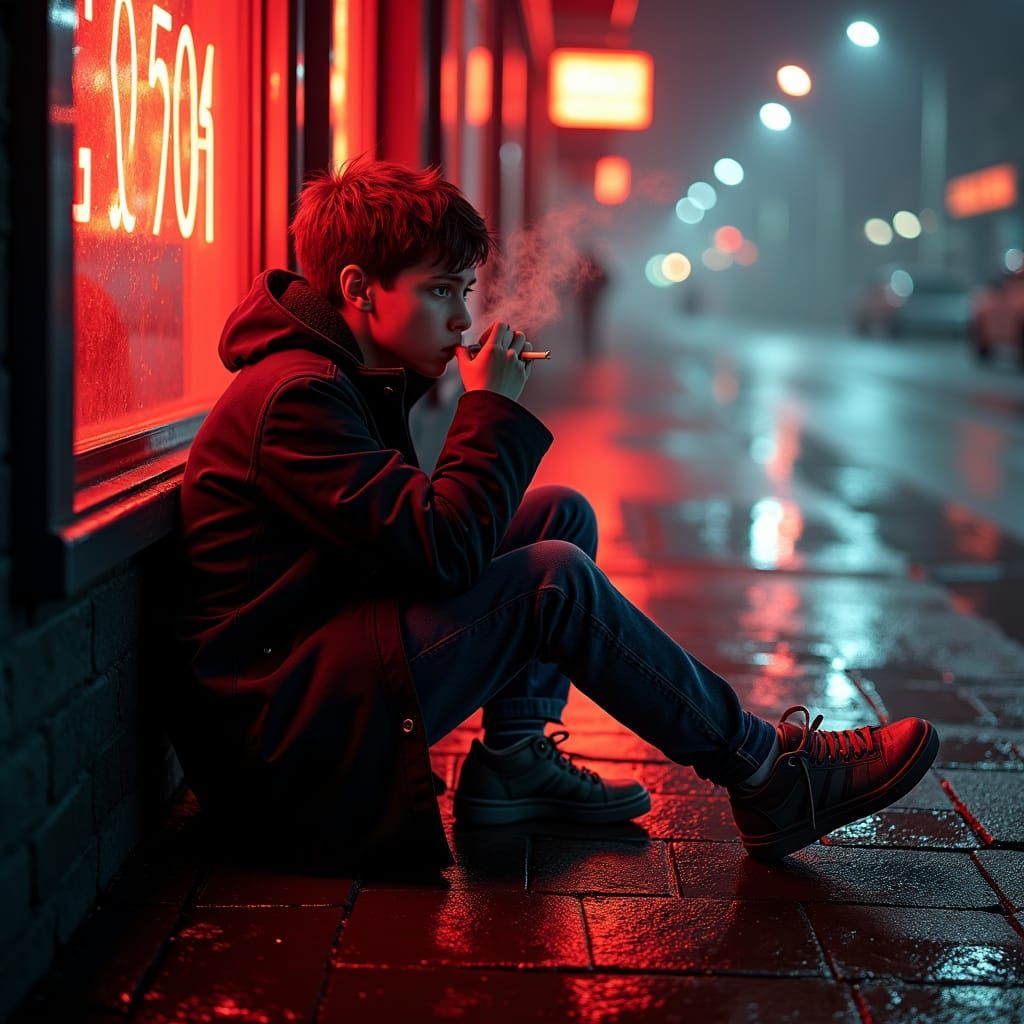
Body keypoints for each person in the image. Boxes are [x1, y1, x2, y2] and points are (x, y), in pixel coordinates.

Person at [174, 157, 938, 874]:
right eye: (441, 290)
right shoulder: (296, 396)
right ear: (360, 288)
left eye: (465, 291)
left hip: (330, 662)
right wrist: (487, 409)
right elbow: (444, 551)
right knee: (552, 582)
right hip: (281, 742)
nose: (460, 317)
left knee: (556, 517)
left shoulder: (340, 375)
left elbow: (413, 543)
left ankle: (511, 764)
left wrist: (477, 414)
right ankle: (766, 769)